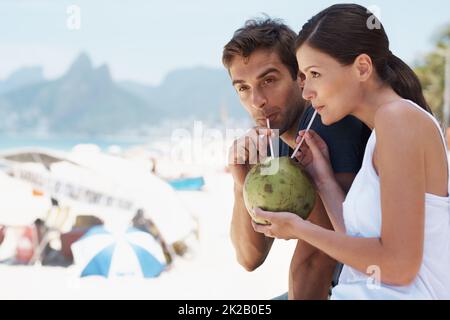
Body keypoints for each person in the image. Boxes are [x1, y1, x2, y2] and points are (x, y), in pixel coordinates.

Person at [251, 4, 450, 299]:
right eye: (303, 77)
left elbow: (398, 266)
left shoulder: (398, 119)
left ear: (362, 67)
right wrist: (323, 178)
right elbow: (363, 252)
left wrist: (300, 229)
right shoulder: (386, 128)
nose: (307, 93)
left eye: (315, 74)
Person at [223, 18, 371, 299]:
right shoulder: (275, 139)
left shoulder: (328, 126)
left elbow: (315, 261)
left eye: (268, 80)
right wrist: (241, 181)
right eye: (243, 87)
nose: (257, 100)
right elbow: (249, 258)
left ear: (299, 77)